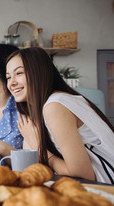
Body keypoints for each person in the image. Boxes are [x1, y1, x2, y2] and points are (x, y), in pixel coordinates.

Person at [6, 47, 114, 184]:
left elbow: (83, 175)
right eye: (8, 77)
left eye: (19, 73)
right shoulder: (44, 108)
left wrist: (39, 148)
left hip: (106, 189)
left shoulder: (55, 106)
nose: (11, 82)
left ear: (39, 73)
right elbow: (32, 167)